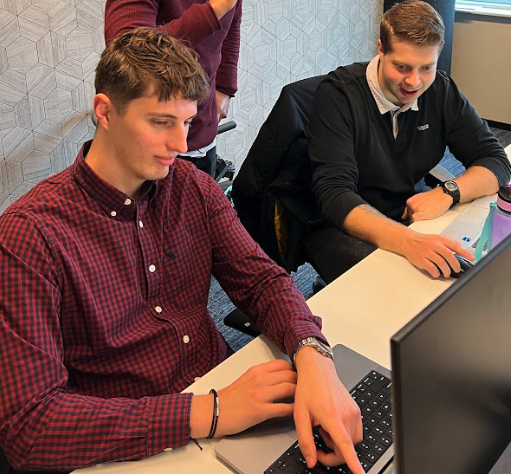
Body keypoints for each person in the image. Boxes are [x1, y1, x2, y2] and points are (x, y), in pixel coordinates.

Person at [0, 28, 364, 474]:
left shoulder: (193, 187)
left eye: (188, 122)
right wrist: (208, 412)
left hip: (223, 395)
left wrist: (312, 353)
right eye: (160, 122)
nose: (181, 145)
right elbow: (30, 428)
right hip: (132, 443)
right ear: (105, 113)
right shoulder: (29, 236)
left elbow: (262, 280)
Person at [306, 0, 511, 284]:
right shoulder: (338, 96)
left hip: (410, 209)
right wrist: (409, 241)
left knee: (460, 278)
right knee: (406, 289)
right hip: (342, 224)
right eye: (402, 66)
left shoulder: (440, 88)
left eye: (426, 67)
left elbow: (496, 161)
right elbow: (334, 196)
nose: (414, 82)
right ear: (381, 50)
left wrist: (447, 192)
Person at [104, 0, 242, 177]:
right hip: (146, 143)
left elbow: (231, 27)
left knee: (199, 201)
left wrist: (225, 88)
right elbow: (126, 52)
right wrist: (214, 10)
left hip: (202, 132)